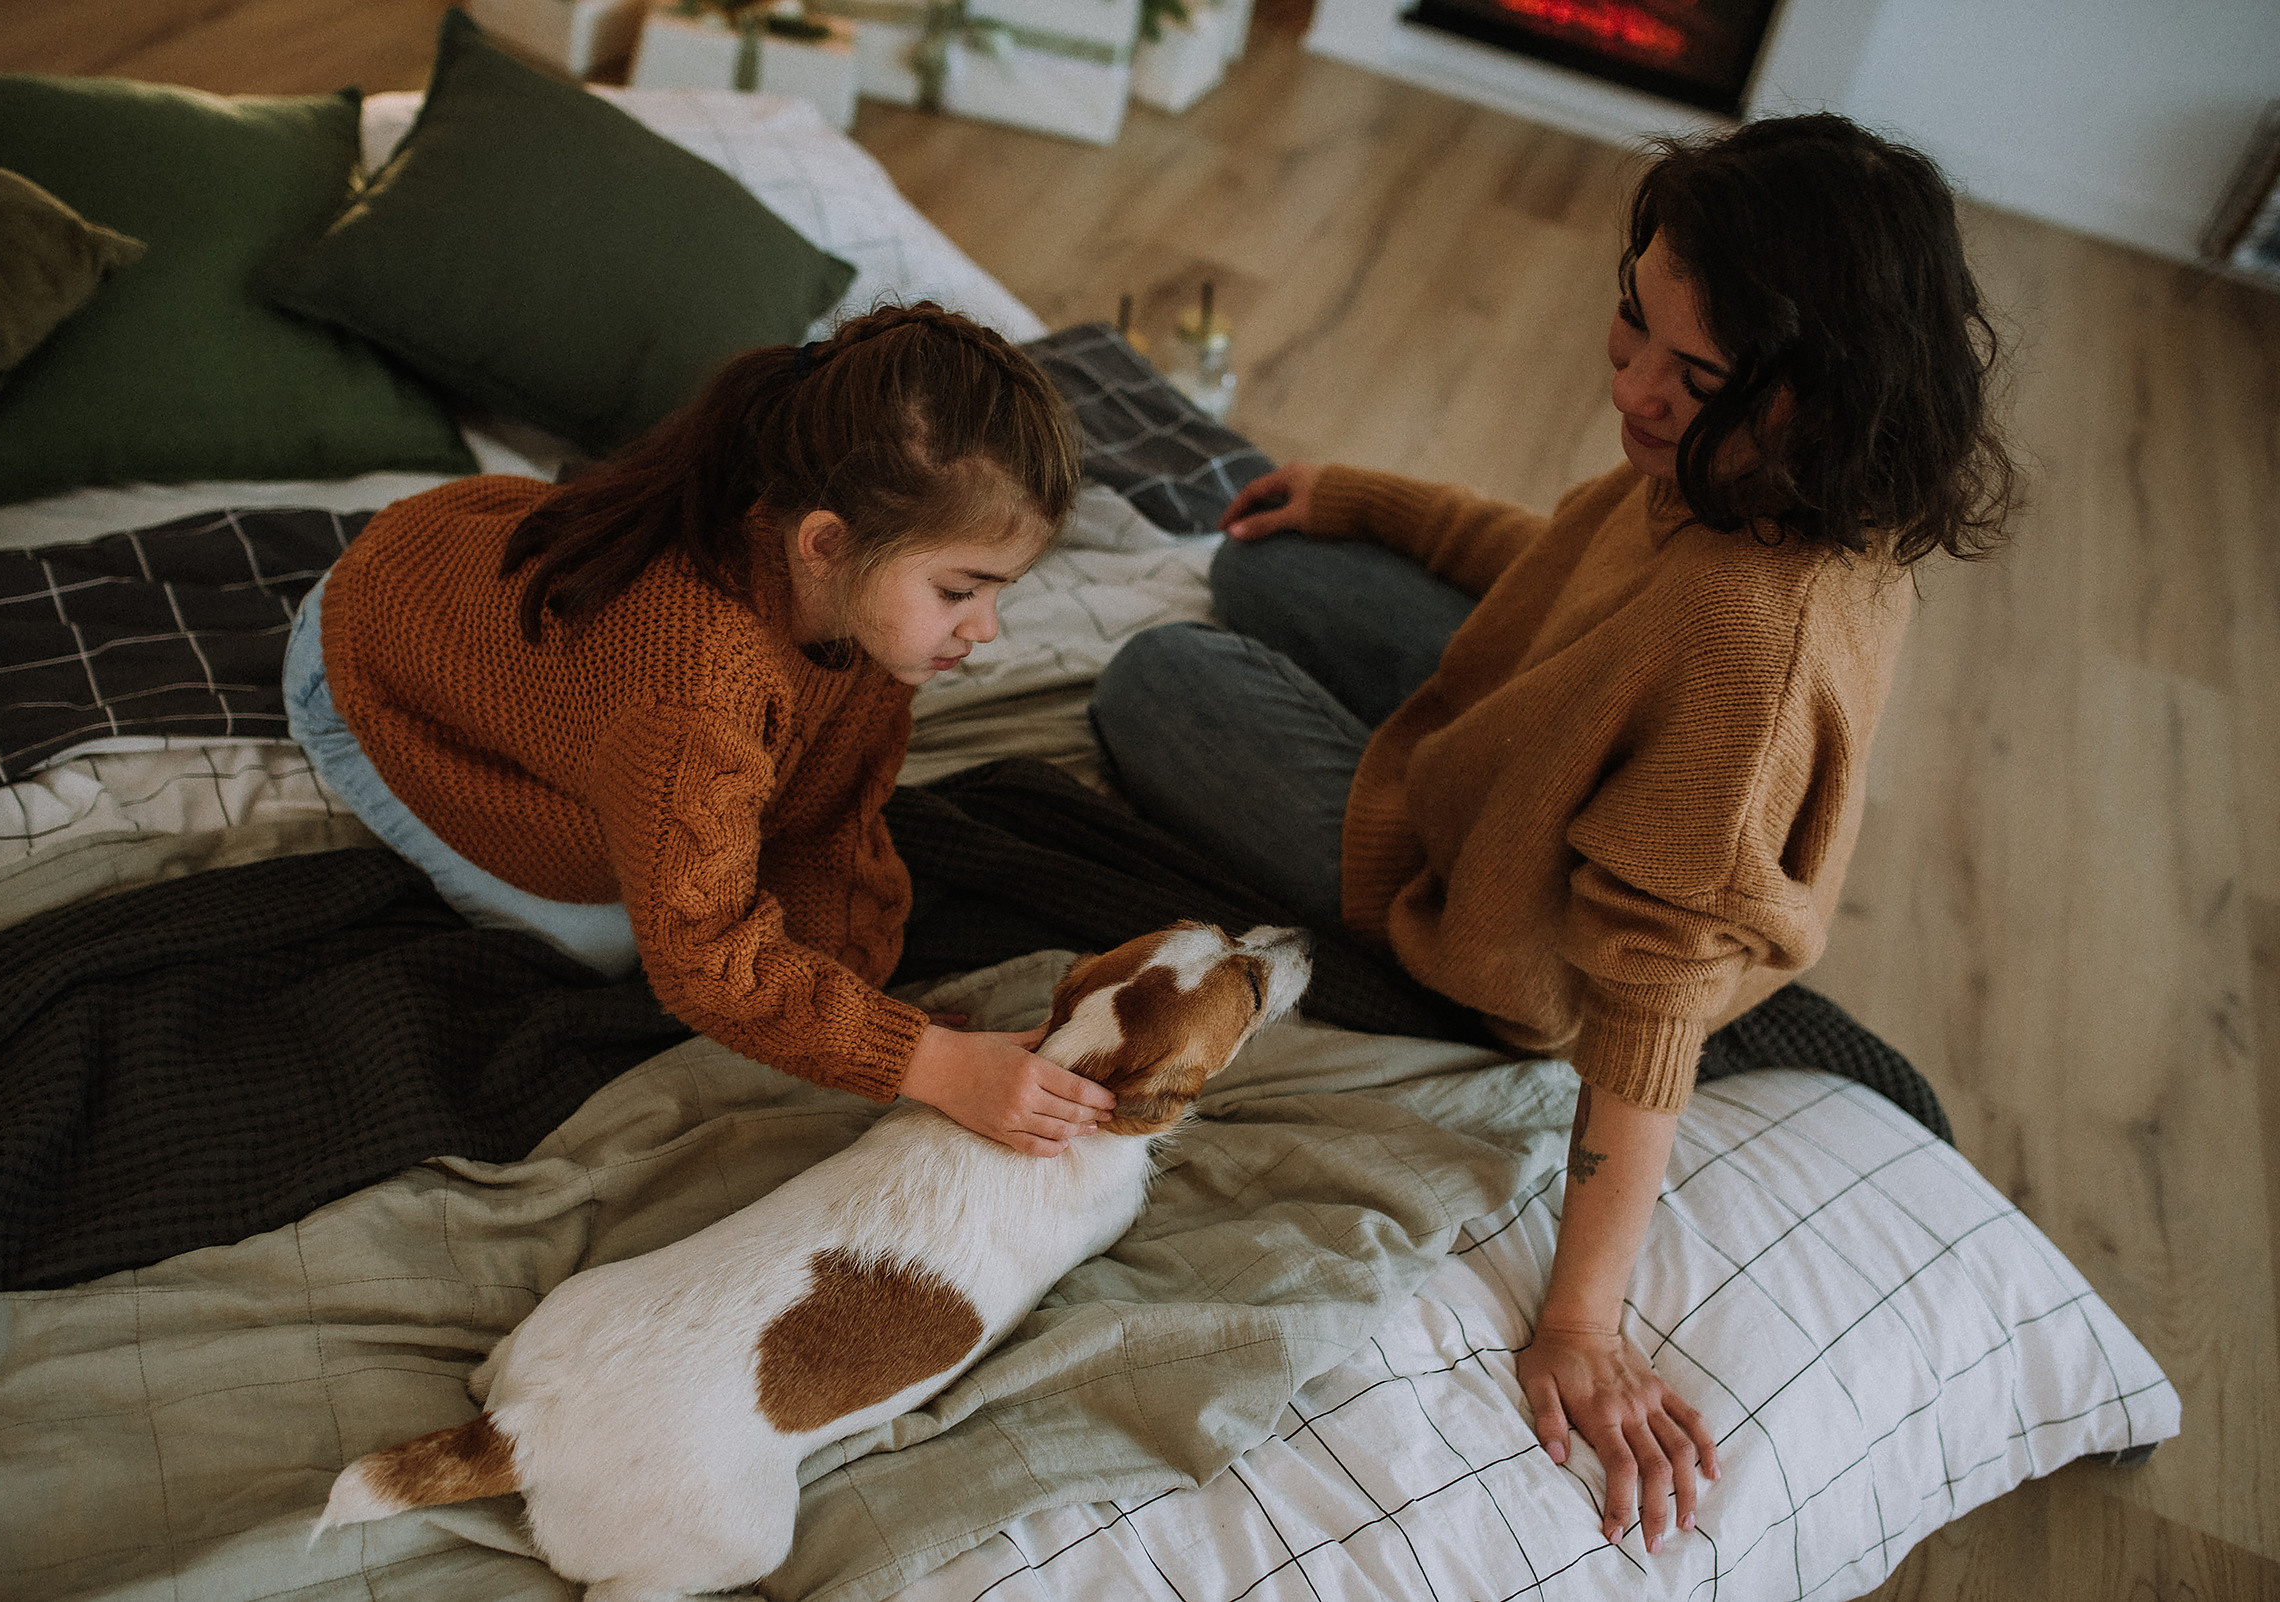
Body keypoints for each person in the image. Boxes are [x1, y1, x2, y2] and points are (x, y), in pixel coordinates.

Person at [1089, 113, 2017, 1553]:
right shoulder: (1751, 482)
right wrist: (1366, 500)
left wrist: (1582, 1317)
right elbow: (1563, 561)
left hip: (1487, 898)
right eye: (1630, 324)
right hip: (1536, 736)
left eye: (1692, 375)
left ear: (1824, 399)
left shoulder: (1746, 638)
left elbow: (1642, 999)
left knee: (1165, 678)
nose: (1637, 390)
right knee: (1271, 559)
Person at [284, 301, 1118, 1157]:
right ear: (825, 544)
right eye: (960, 591)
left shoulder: (861, 600)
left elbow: (826, 808)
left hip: (501, 606)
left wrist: (874, 1015)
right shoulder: (696, 688)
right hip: (366, 657)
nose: (985, 630)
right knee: (624, 945)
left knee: (753, 912)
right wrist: (923, 1061)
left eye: (999, 593)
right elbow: (702, 955)